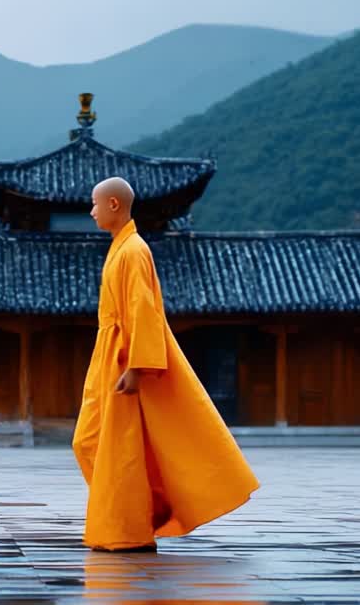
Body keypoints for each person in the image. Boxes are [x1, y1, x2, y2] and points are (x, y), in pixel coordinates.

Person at [72, 176, 260, 552]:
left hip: (124, 357)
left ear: (113, 205)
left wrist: (138, 367)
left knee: (119, 449)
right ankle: (132, 516)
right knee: (89, 442)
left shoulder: (134, 250)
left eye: (95, 203)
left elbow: (144, 310)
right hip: (109, 355)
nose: (90, 211)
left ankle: (128, 530)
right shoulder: (120, 248)